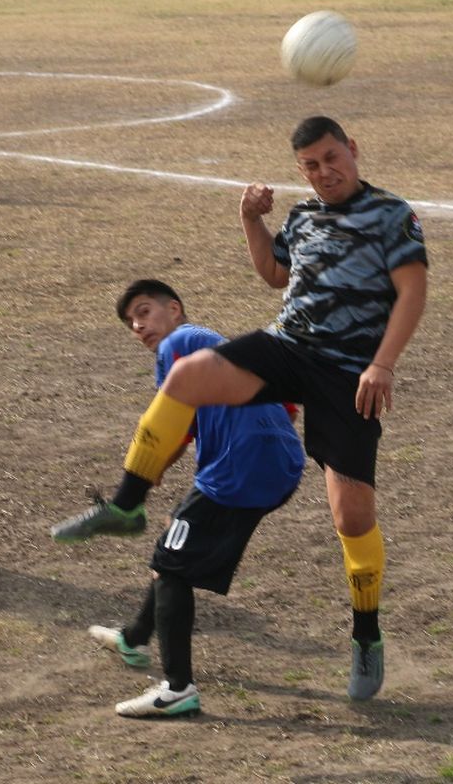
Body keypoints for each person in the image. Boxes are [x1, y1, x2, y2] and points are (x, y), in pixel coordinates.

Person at [52, 116, 428, 702]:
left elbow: (412, 291)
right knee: (186, 375)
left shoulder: (391, 214)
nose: (324, 172)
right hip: (288, 346)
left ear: (353, 150)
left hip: (347, 371)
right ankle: (126, 506)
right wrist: (251, 219)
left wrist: (382, 364)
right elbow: (275, 275)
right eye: (311, 165)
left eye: (332, 158)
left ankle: (366, 633)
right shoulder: (303, 216)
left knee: (351, 517)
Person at [80, 280, 305, 719]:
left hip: (240, 467)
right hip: (275, 462)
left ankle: (178, 688)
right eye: (131, 322)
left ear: (176, 310)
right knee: (174, 542)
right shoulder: (219, 350)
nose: (138, 325)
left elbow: (166, 424)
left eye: (144, 312)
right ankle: (134, 637)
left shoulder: (181, 342)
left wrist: (141, 477)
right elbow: (281, 407)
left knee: (170, 566)